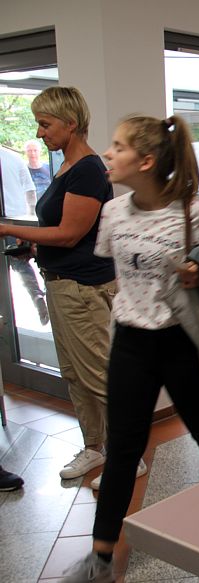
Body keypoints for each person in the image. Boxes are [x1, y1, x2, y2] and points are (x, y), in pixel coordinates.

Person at [59, 114, 199, 583]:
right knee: (122, 448)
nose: (107, 154)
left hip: (183, 340)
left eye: (117, 147)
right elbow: (118, 271)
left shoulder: (198, 212)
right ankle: (100, 557)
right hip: (132, 341)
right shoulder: (113, 212)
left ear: (147, 160)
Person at [0, 87, 116, 481]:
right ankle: (95, 447)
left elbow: (68, 234)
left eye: (46, 124)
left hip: (83, 289)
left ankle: (126, 453)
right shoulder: (66, 166)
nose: (39, 132)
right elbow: (64, 233)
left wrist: (5, 227)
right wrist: (32, 241)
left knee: (98, 374)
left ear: (71, 123)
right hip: (63, 284)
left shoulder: (87, 168)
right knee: (74, 373)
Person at [0, 146, 48, 325]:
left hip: (9, 224)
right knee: (23, 263)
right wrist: (29, 219)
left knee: (20, 263)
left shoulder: (13, 158)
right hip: (17, 219)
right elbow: (30, 192)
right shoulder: (14, 158)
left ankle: (36, 295)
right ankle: (38, 295)